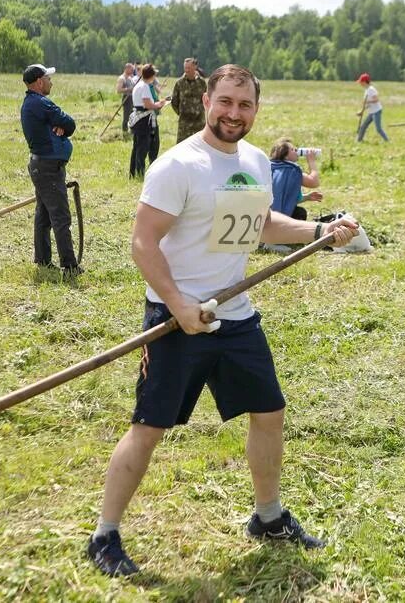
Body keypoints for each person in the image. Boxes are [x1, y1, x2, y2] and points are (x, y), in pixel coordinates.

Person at [86, 64, 359, 578]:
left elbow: (259, 224)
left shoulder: (254, 161)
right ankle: (105, 534)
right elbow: (142, 244)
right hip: (177, 317)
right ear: (207, 101)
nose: (235, 113)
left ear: (256, 109)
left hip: (234, 316)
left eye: (246, 105)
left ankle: (268, 516)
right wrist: (179, 306)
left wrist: (318, 228)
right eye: (226, 102)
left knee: (269, 412)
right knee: (149, 427)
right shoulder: (178, 166)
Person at [20, 63, 81, 275]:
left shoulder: (32, 103)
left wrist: (60, 127)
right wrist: (62, 127)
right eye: (48, 78)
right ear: (39, 82)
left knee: (44, 214)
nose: (51, 82)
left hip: (42, 165)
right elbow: (70, 123)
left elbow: (64, 125)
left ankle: (43, 260)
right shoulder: (41, 103)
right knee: (61, 217)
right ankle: (69, 266)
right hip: (48, 167)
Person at [128, 64, 167, 179]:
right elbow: (148, 104)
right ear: (152, 75)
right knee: (142, 148)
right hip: (144, 121)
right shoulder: (145, 86)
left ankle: (134, 173)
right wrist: (160, 104)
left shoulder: (139, 85)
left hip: (140, 119)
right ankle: (140, 173)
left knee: (137, 147)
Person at [268, 138, 322, 220]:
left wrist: (307, 197)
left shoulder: (269, 167)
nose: (296, 151)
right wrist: (311, 161)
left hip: (264, 213)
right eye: (293, 150)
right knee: (300, 212)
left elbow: (283, 199)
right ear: (285, 156)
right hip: (278, 219)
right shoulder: (291, 170)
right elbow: (314, 182)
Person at [170, 57, 207, 144]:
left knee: (200, 145)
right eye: (185, 68)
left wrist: (200, 111)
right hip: (184, 123)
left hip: (199, 122)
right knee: (182, 146)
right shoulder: (179, 83)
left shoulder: (202, 83)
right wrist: (182, 112)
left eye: (189, 68)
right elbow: (174, 101)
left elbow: (206, 99)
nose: (186, 70)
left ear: (195, 67)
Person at [355, 73, 388, 142]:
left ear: (364, 82)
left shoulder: (371, 89)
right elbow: (367, 105)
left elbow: (376, 100)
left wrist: (368, 101)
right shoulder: (366, 90)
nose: (360, 83)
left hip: (376, 112)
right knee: (363, 126)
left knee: (378, 129)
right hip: (371, 112)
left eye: (360, 82)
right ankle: (359, 140)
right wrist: (361, 111)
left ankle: (387, 141)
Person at [116, 63, 137, 133]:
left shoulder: (130, 78)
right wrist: (128, 89)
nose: (132, 71)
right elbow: (118, 90)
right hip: (126, 98)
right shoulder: (122, 78)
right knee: (127, 116)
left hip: (132, 98)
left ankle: (132, 130)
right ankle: (124, 131)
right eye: (131, 69)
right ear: (127, 69)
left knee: (133, 115)